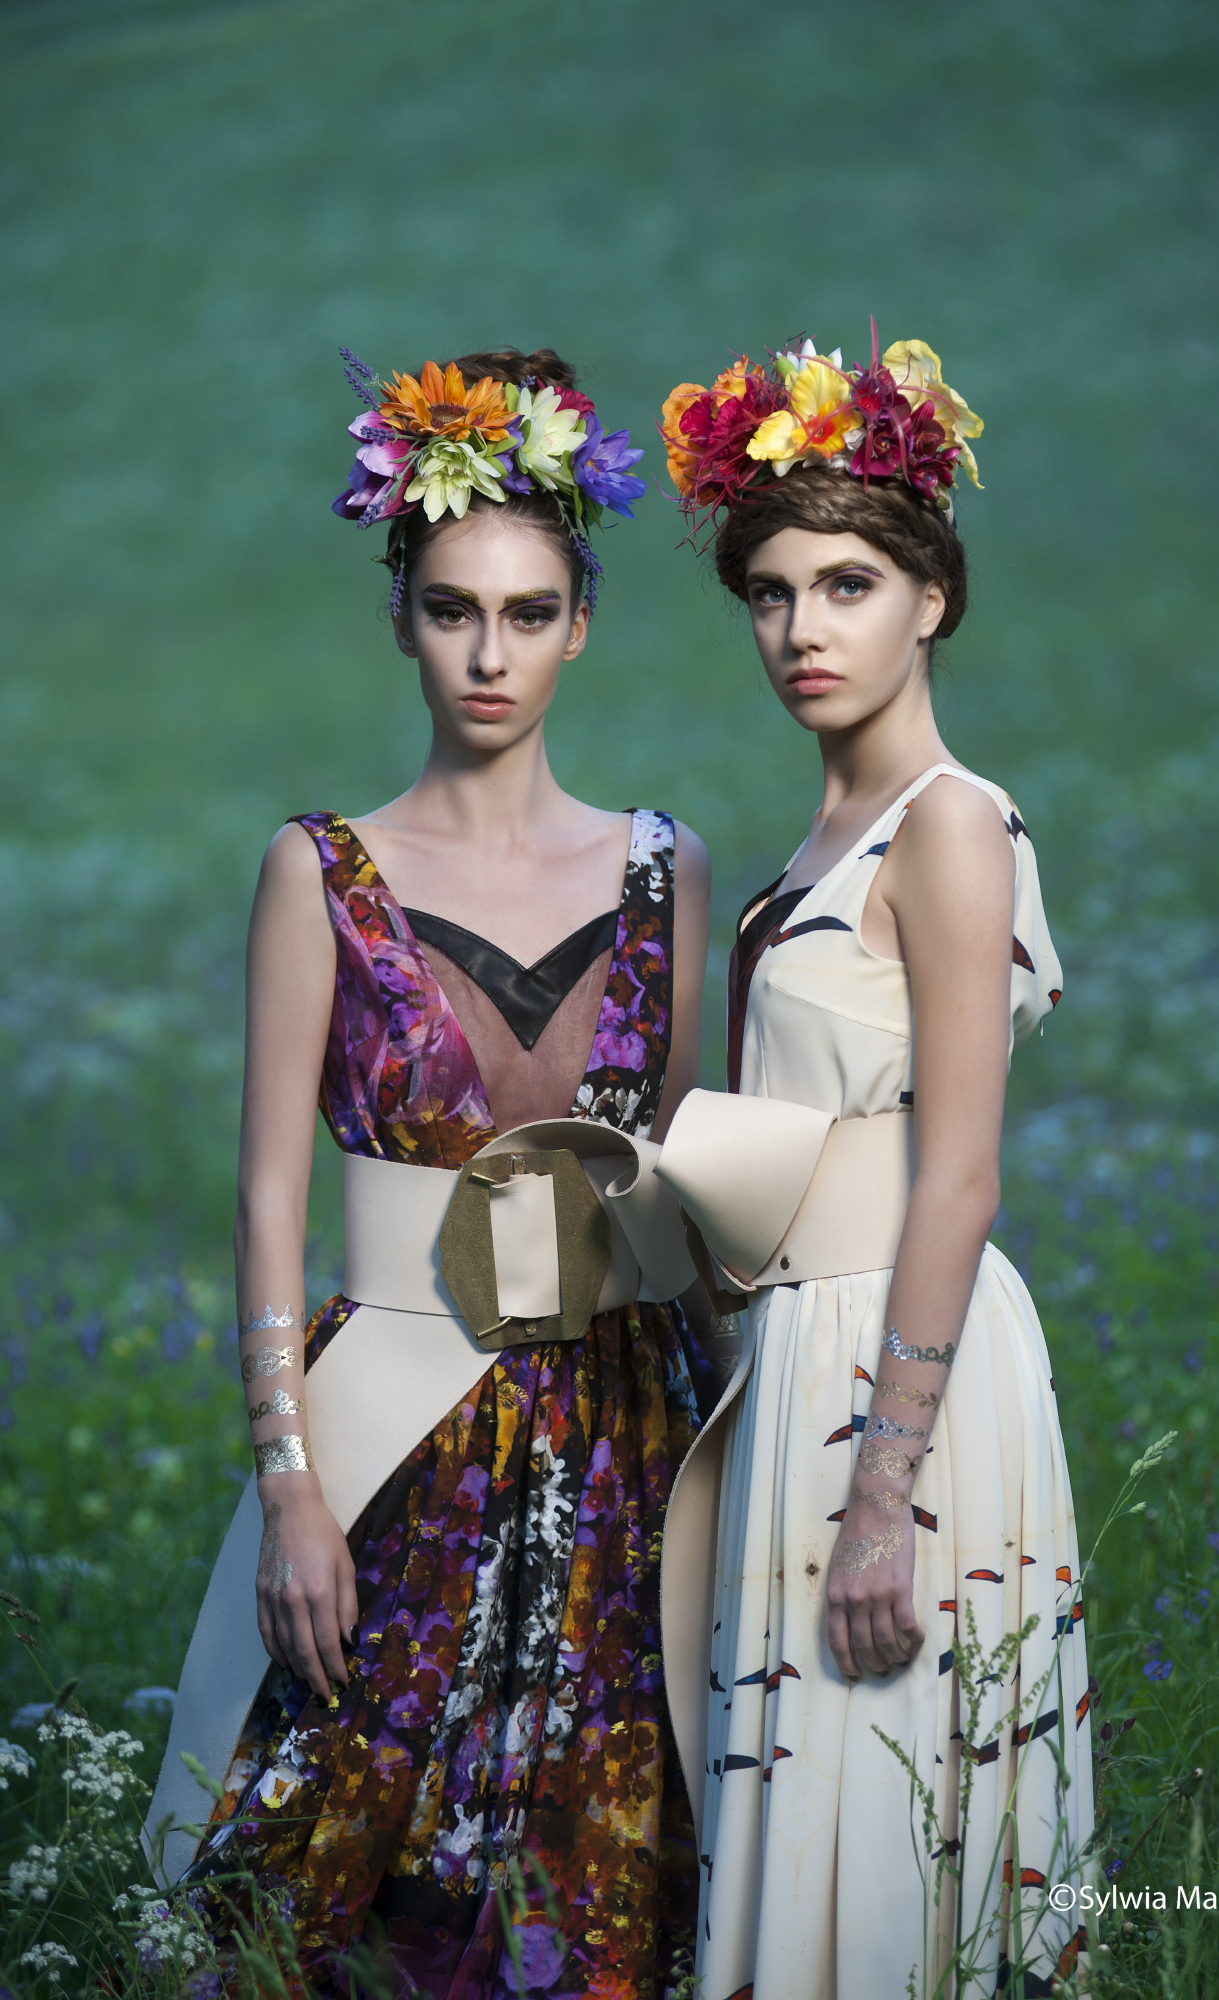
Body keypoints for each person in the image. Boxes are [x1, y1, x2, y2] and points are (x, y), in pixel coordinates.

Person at [150, 345, 716, 1997]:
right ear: (400, 614)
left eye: (529, 613)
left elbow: (681, 1200)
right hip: (396, 1421)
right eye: (455, 608)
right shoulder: (319, 869)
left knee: (608, 1875)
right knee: (338, 1879)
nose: (490, 651)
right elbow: (266, 1198)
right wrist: (289, 1486)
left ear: (582, 627)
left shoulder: (665, 866)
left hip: (625, 1428)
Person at [654, 333, 1092, 1998]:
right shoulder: (814, 846)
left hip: (896, 1367)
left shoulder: (950, 824)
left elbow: (960, 1173)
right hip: (792, 1350)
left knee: (895, 1801)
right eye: (768, 593)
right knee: (800, 1803)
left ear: (934, 600)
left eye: (846, 583)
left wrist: (882, 1497)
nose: (800, 630)